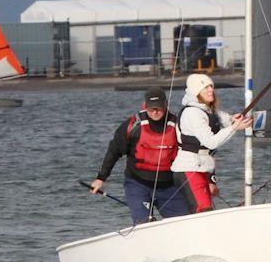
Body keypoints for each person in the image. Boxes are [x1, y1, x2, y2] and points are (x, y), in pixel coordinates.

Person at [90, 87, 188, 224]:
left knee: (183, 223)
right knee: (143, 223)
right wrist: (101, 178)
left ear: (165, 105)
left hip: (169, 186)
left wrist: (208, 180)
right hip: (137, 185)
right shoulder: (133, 126)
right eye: (151, 109)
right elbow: (114, 151)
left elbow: (194, 152)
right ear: (145, 106)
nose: (155, 112)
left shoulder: (178, 126)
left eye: (158, 108)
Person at [170, 74, 252, 214]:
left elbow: (223, 119)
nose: (210, 90)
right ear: (196, 92)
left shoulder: (207, 109)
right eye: (205, 88)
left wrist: (233, 120)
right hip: (188, 169)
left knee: (206, 211)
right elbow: (211, 142)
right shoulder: (192, 113)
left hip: (202, 168)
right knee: (202, 211)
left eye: (211, 86)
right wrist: (234, 128)